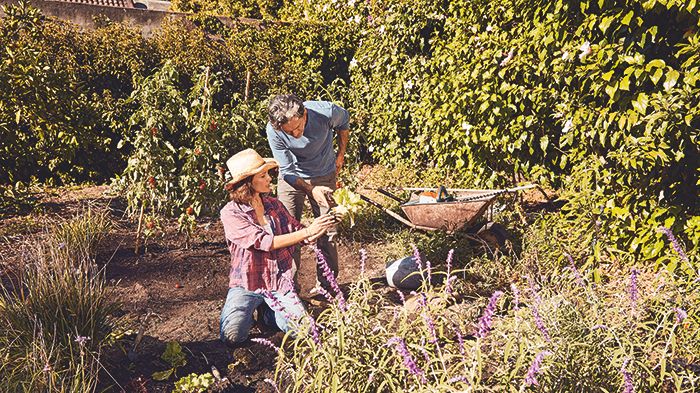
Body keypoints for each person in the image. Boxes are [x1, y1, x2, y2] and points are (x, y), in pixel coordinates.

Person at [219, 148, 336, 344]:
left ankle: (267, 314)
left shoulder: (274, 205)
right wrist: (307, 232)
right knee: (232, 336)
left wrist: (327, 220)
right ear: (247, 183)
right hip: (247, 283)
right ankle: (255, 308)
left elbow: (300, 233)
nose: (269, 179)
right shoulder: (231, 213)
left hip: (278, 280)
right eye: (263, 175)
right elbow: (264, 242)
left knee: (304, 331)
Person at [266, 94, 350, 293]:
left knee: (327, 230)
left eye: (298, 127)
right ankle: (289, 290)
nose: (295, 135)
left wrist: (340, 155)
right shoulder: (274, 131)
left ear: (305, 114)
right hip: (293, 179)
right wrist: (311, 190)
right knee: (287, 231)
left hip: (324, 174)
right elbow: (286, 171)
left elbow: (344, 121)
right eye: (290, 132)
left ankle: (328, 286)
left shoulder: (326, 112)